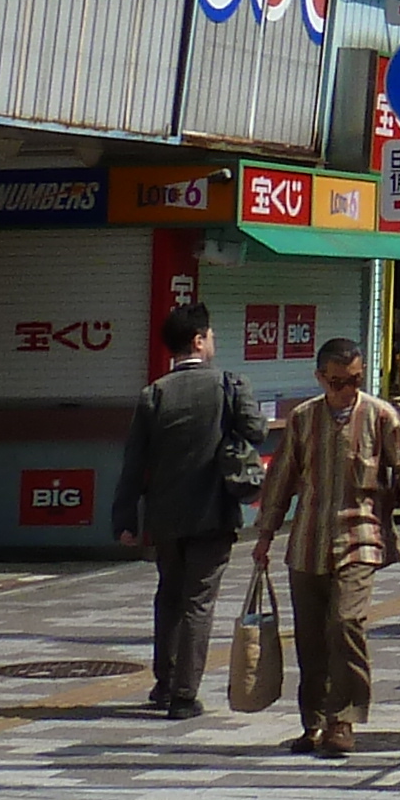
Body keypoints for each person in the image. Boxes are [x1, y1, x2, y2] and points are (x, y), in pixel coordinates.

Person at [247, 335, 400, 759]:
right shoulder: (304, 419)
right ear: (321, 378)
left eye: (355, 380)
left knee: (345, 623)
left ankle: (345, 719)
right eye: (338, 381)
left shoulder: (380, 417)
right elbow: (281, 479)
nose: (348, 390)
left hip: (361, 537)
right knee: (310, 637)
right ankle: (313, 722)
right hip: (307, 541)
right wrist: (264, 535)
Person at [113, 301, 255, 720]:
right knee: (199, 602)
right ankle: (184, 694)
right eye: (210, 335)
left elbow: (133, 462)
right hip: (213, 514)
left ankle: (164, 681)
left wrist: (124, 519)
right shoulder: (227, 385)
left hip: (166, 518)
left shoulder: (154, 393)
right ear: (198, 340)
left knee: (169, 597)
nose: (213, 341)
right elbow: (256, 430)